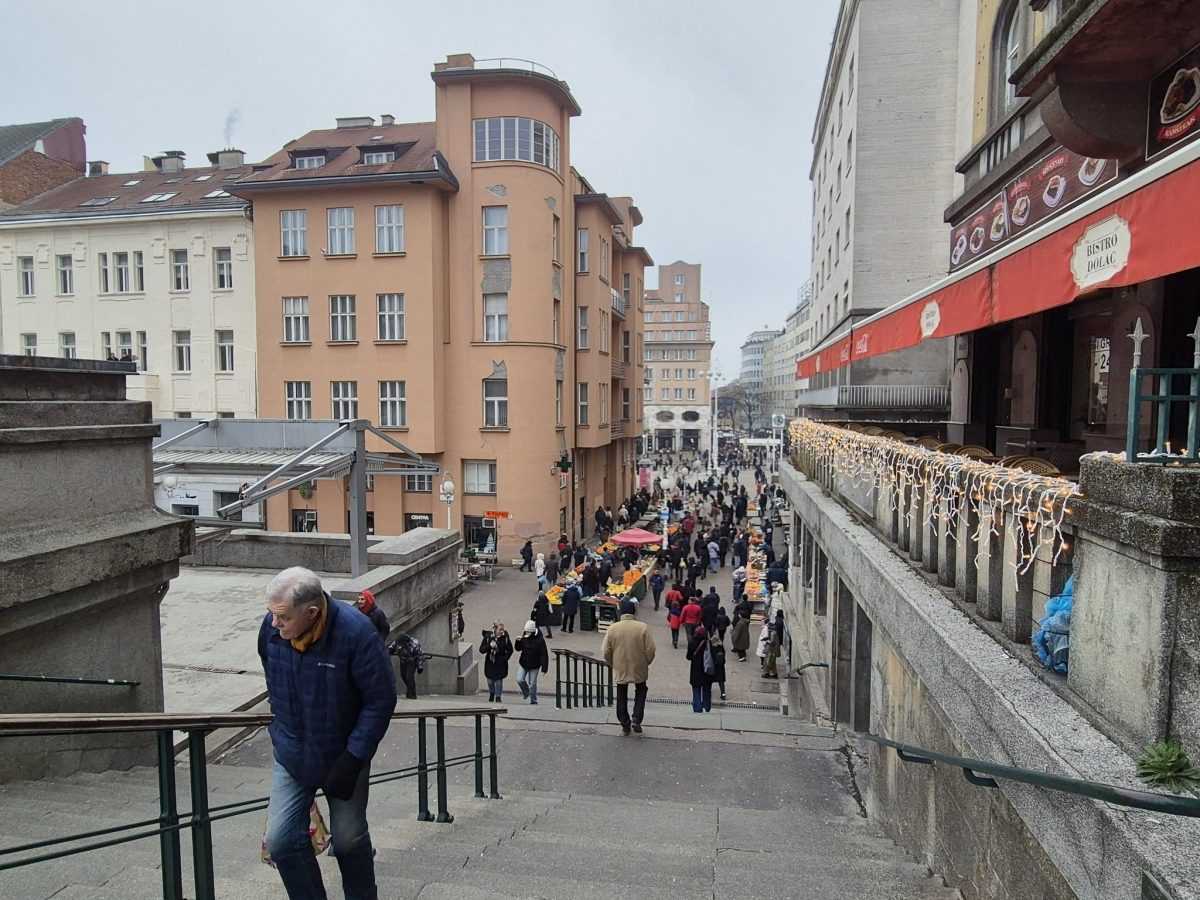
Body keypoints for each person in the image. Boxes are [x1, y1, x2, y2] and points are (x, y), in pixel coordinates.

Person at [259, 567, 397, 899]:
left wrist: (353, 758)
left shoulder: (357, 633)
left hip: (343, 755)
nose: (275, 624)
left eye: (283, 617)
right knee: (280, 841)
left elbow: (380, 700)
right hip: (292, 751)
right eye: (272, 615)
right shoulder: (271, 629)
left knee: (348, 841)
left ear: (311, 613)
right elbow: (272, 675)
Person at [601, 598, 657, 735]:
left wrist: (612, 663)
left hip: (620, 665)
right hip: (639, 665)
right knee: (641, 689)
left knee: (621, 693)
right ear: (634, 612)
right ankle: (636, 718)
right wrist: (646, 662)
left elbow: (605, 651)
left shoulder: (613, 628)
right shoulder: (642, 627)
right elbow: (651, 649)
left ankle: (624, 722)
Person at [514, 620, 549, 704]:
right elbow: (518, 649)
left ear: (533, 632)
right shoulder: (525, 635)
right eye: (525, 631)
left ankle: (533, 700)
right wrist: (518, 641)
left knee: (532, 684)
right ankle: (526, 692)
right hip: (524, 662)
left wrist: (544, 668)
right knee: (519, 679)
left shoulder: (540, 640)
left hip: (535, 665)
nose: (526, 633)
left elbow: (544, 654)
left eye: (528, 632)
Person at [480, 623, 513, 702]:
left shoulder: (505, 638)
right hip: (490, 662)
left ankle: (498, 697)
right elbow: (481, 650)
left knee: (498, 681)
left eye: (502, 629)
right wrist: (489, 646)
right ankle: (492, 693)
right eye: (500, 629)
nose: (502, 631)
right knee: (490, 681)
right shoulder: (488, 637)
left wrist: (505, 659)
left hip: (500, 663)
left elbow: (510, 650)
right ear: (495, 630)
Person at [387, 632, 424, 700]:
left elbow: (420, 655)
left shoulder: (415, 643)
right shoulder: (397, 642)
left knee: (409, 677)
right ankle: (410, 690)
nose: (400, 645)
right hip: (403, 661)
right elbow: (390, 648)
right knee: (403, 676)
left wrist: (420, 666)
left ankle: (412, 695)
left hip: (412, 661)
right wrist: (388, 652)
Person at [686, 625, 713, 713]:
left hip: (696, 670)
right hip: (707, 669)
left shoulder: (692, 643)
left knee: (696, 689)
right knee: (706, 688)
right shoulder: (709, 643)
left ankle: (697, 707)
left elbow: (688, 657)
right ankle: (707, 705)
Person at [709, 629, 728, 701]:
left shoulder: (711, 646)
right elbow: (724, 654)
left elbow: (710, 655)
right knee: (721, 680)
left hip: (713, 665)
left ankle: (708, 691)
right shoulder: (721, 646)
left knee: (710, 679)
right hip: (720, 666)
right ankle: (723, 693)